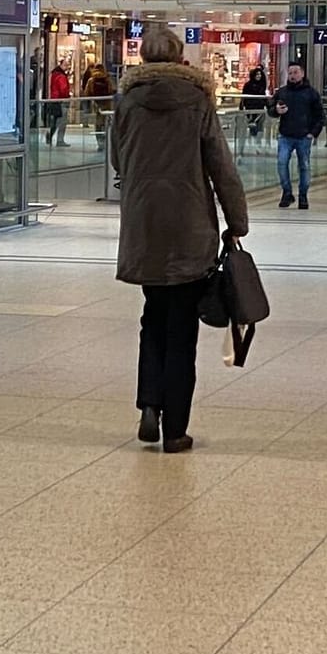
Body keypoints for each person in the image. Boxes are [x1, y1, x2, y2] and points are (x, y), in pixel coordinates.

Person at [110, 26, 249, 453]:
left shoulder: (126, 102)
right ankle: (175, 428)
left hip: (144, 222)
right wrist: (236, 219)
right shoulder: (197, 100)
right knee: (181, 327)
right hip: (190, 224)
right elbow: (219, 165)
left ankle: (149, 405)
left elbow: (118, 157)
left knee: (152, 316)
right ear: (178, 56)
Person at [272, 62, 324, 210]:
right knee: (282, 163)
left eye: (295, 72)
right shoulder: (282, 92)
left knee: (304, 166)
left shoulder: (311, 93)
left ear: (302, 74)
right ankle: (287, 192)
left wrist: (312, 133)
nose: (293, 76)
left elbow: (320, 115)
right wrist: (276, 111)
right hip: (285, 135)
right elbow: (271, 108)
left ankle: (303, 196)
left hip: (303, 136)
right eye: (290, 73)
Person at [82, 61, 114, 151]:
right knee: (106, 124)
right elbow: (111, 90)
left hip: (96, 105)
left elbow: (86, 93)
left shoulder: (91, 80)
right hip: (107, 105)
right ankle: (107, 143)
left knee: (98, 125)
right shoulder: (107, 79)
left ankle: (100, 144)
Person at [45, 61, 73, 146]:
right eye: (65, 65)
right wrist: (67, 96)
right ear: (60, 65)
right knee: (62, 121)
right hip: (61, 101)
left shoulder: (54, 74)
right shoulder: (61, 76)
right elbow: (63, 89)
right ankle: (60, 140)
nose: (67, 67)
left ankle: (50, 135)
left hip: (55, 100)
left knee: (56, 120)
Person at [241, 65, 269, 140]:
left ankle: (258, 142)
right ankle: (251, 141)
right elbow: (244, 96)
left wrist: (267, 105)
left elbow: (264, 96)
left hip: (260, 108)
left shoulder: (262, 85)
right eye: (257, 74)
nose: (258, 76)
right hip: (250, 108)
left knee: (259, 126)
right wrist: (242, 106)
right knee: (251, 125)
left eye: (260, 74)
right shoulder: (248, 85)